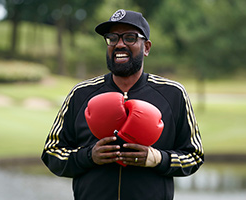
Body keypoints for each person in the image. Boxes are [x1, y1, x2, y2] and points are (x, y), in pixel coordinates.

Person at [41, 9, 204, 200]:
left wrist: (157, 158)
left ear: (147, 47)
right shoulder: (80, 93)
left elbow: (194, 156)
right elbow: (52, 153)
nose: (119, 44)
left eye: (130, 38)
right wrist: (88, 156)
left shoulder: (173, 94)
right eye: (112, 38)